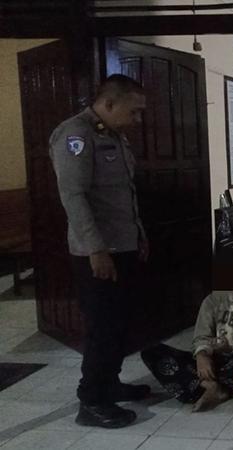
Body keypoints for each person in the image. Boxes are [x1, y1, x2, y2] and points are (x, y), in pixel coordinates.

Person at [49, 74, 149, 428]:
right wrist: (96, 249)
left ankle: (110, 383)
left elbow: (123, 194)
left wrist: (139, 236)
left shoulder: (114, 135)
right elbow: (73, 197)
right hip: (99, 253)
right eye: (133, 111)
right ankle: (91, 401)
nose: (138, 119)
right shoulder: (75, 135)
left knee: (120, 323)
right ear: (109, 103)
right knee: (102, 327)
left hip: (123, 245)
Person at [140, 247, 233, 412]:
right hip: (213, 359)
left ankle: (205, 387)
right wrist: (202, 354)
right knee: (151, 352)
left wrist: (230, 348)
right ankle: (211, 387)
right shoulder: (213, 299)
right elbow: (201, 335)